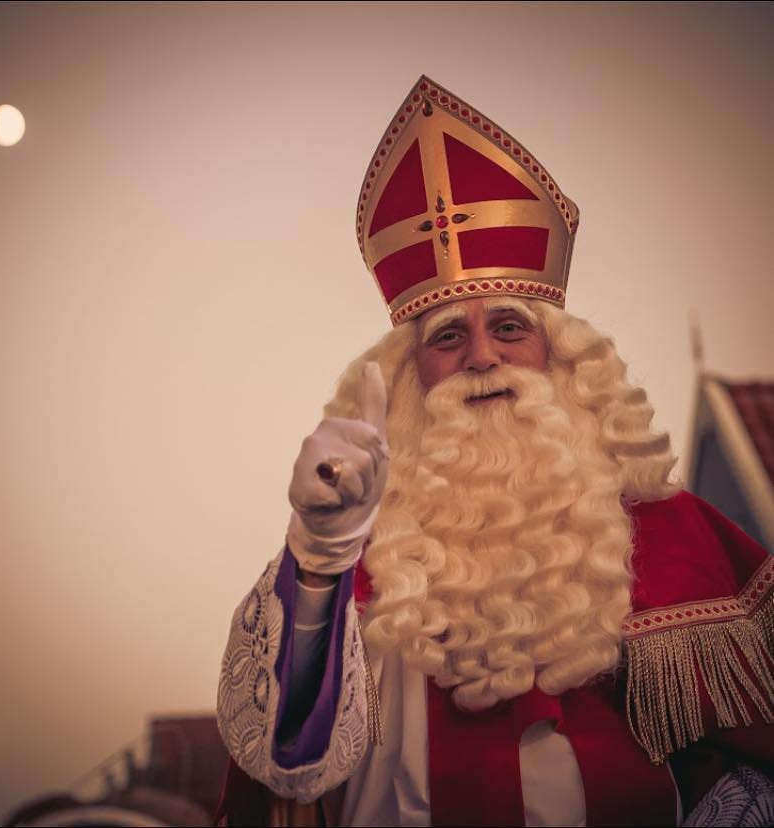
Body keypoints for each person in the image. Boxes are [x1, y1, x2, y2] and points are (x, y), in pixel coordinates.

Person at [216, 76, 774, 827]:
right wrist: (317, 555)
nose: (482, 356)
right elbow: (283, 764)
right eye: (448, 336)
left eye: (509, 327)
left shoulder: (677, 534)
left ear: (562, 360)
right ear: (410, 379)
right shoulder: (356, 556)